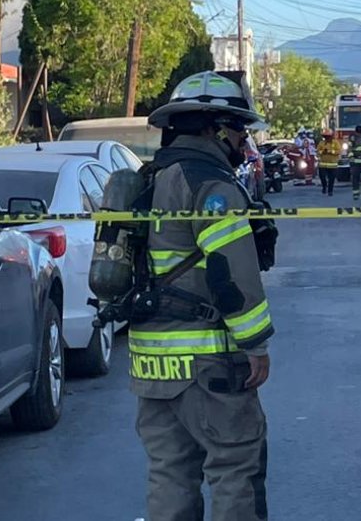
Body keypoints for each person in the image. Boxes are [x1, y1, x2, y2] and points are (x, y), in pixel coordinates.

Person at [135, 71, 276, 521]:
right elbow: (232, 271)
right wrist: (255, 344)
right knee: (236, 466)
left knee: (170, 474)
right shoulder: (211, 186)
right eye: (239, 129)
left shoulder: (147, 180)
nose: (243, 140)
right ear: (216, 128)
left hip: (151, 364)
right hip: (208, 362)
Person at [317, 129, 342, 196]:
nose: (326, 137)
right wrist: (322, 152)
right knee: (322, 177)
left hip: (333, 165)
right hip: (323, 164)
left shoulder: (335, 142)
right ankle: (324, 187)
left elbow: (339, 151)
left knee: (331, 179)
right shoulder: (321, 143)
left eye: (327, 136)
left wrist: (331, 152)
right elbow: (317, 151)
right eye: (325, 136)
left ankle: (330, 191)